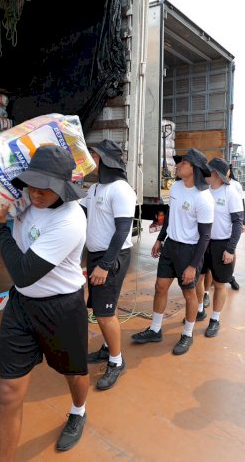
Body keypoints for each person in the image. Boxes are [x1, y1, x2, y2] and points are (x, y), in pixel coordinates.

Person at [0, 145, 91, 458]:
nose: (36, 193)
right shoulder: (26, 198)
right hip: (21, 307)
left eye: (45, 188)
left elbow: (23, 272)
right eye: (31, 184)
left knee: (73, 372)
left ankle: (79, 410)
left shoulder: (70, 220)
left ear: (63, 188)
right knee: (8, 391)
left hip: (61, 307)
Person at [131, 149, 214, 355]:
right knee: (160, 287)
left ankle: (187, 334)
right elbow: (170, 216)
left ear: (192, 168)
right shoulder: (176, 187)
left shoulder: (204, 198)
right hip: (171, 246)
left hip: (190, 250)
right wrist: (160, 239)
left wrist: (193, 266)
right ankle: (155, 329)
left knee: (188, 294)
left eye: (182, 163)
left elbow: (205, 237)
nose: (177, 166)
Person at [82, 139, 136, 390]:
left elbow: (123, 229)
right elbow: (77, 209)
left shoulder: (120, 189)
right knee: (103, 309)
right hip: (96, 255)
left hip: (111, 257)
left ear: (103, 158)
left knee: (104, 314)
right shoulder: (94, 189)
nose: (89, 157)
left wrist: (105, 264)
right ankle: (107, 348)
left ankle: (116, 361)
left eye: (92, 153)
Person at [194, 158, 243, 337]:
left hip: (221, 243)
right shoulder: (204, 190)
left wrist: (230, 249)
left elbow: (238, 223)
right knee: (198, 279)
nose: (207, 173)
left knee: (220, 283)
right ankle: (199, 310)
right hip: (202, 242)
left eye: (210, 171)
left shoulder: (230, 193)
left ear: (216, 174)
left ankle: (215, 319)